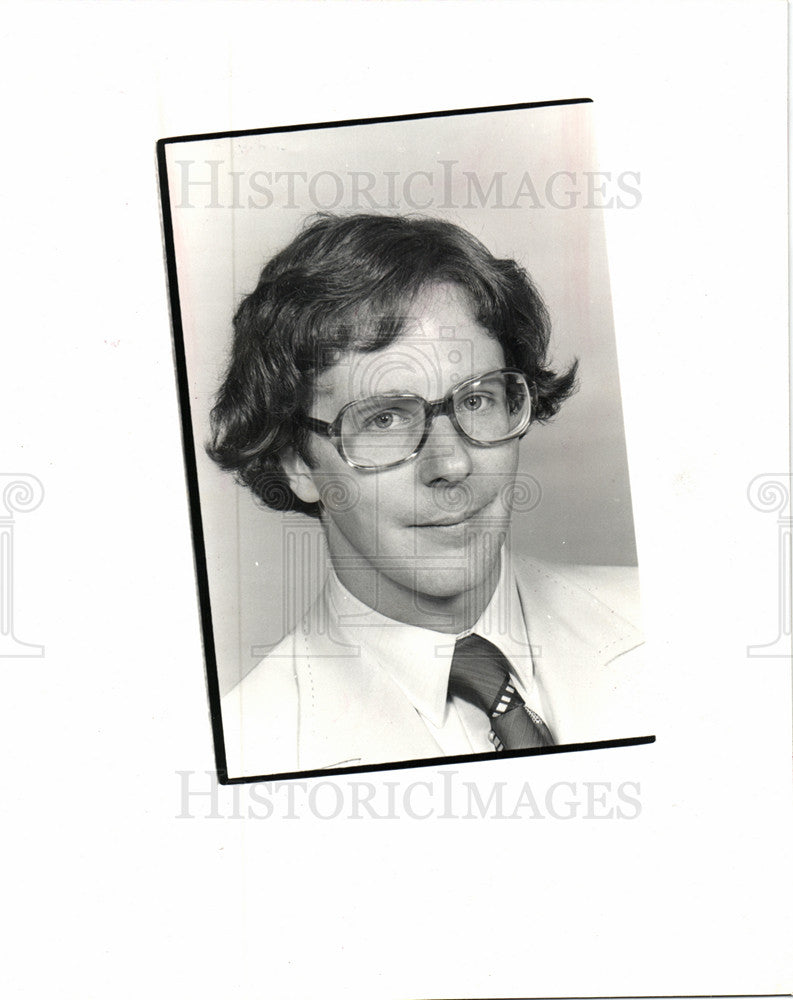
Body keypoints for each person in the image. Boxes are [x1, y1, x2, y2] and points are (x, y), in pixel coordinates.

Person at [209, 213, 644, 778]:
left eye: (477, 400)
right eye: (385, 418)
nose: (453, 463)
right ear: (296, 462)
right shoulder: (251, 747)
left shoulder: (667, 621)